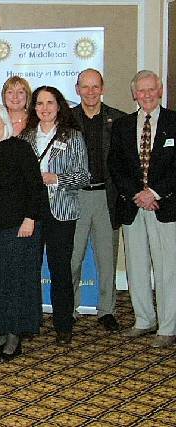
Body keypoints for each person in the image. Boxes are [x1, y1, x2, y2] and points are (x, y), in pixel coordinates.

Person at [0, 104, 47, 361]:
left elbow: (35, 188)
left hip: (19, 229)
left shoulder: (21, 149)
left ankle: (15, 336)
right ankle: (2, 333)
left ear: (5, 123)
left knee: (16, 283)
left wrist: (30, 219)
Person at [109, 70, 176, 348]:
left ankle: (168, 326)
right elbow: (117, 165)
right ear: (134, 93)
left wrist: (154, 193)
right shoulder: (123, 126)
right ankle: (143, 320)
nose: (146, 95)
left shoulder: (174, 122)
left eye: (151, 89)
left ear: (159, 90)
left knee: (166, 269)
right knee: (136, 267)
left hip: (165, 204)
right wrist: (137, 193)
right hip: (133, 205)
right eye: (141, 90)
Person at [20, 86, 89, 346]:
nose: (45, 108)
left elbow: (83, 176)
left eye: (50, 103)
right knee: (30, 269)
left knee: (60, 270)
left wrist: (56, 178)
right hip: (32, 213)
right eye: (39, 103)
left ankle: (63, 324)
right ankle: (30, 321)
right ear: (34, 108)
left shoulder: (72, 136)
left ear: (59, 106)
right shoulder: (26, 137)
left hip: (61, 212)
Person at [70, 69, 126, 331]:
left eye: (95, 86)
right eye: (85, 86)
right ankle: (68, 308)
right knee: (73, 257)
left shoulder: (119, 120)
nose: (90, 92)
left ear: (102, 88)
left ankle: (107, 310)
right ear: (77, 89)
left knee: (107, 259)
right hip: (77, 196)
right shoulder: (66, 120)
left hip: (107, 197)